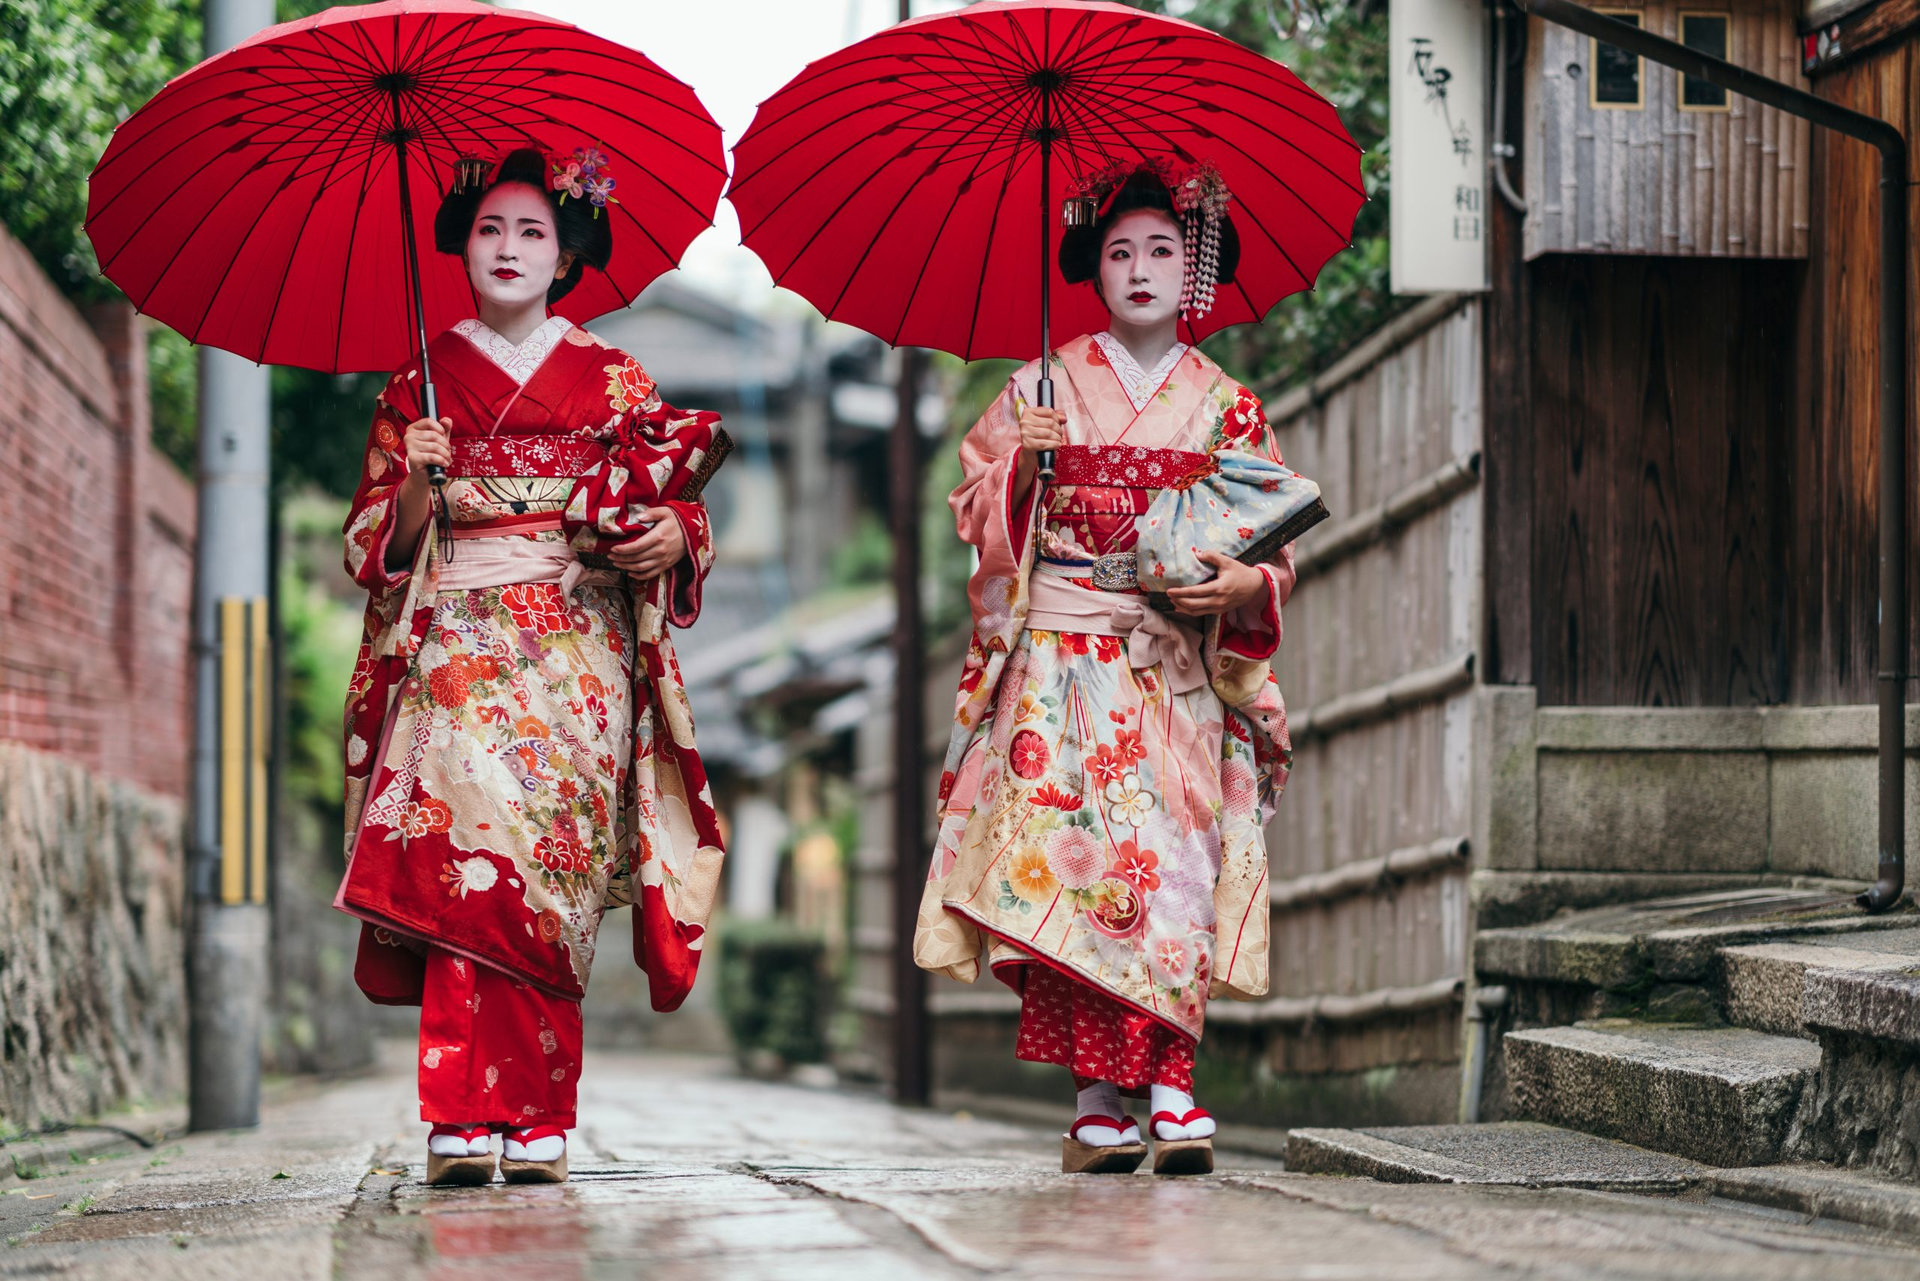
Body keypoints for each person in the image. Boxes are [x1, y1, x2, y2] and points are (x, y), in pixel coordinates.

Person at [334, 147, 725, 1187]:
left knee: (545, 873)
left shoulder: (615, 377)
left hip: (577, 644)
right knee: (468, 869)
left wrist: (670, 539)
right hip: (459, 642)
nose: (509, 249)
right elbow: (372, 544)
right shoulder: (417, 382)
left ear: (566, 255)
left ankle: (542, 1109)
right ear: (460, 246)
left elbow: (671, 503)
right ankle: (462, 1111)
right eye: (491, 230)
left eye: (533, 233)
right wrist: (418, 482)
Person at [914, 163, 1296, 1176]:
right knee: (1070, 863)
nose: (1139, 269)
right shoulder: (1038, 387)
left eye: (1163, 251)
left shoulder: (1227, 406)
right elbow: (974, 514)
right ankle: (1093, 1099)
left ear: (1194, 267)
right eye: (1120, 250)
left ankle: (1173, 1085)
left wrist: (1242, 583)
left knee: (1173, 866)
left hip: (1169, 654)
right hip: (1059, 656)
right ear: (1093, 266)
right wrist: (1024, 466)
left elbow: (1268, 536)